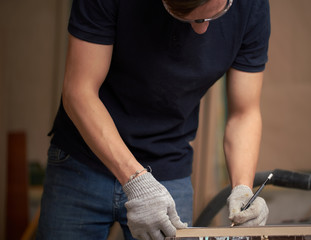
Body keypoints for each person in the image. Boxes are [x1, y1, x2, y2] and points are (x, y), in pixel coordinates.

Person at [37, 0, 271, 239]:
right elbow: (79, 92)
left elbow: (244, 112)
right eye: (189, 18)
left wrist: (242, 189)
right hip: (84, 160)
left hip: (168, 166)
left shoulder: (251, 6)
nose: (201, 31)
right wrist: (136, 180)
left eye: (212, 17)